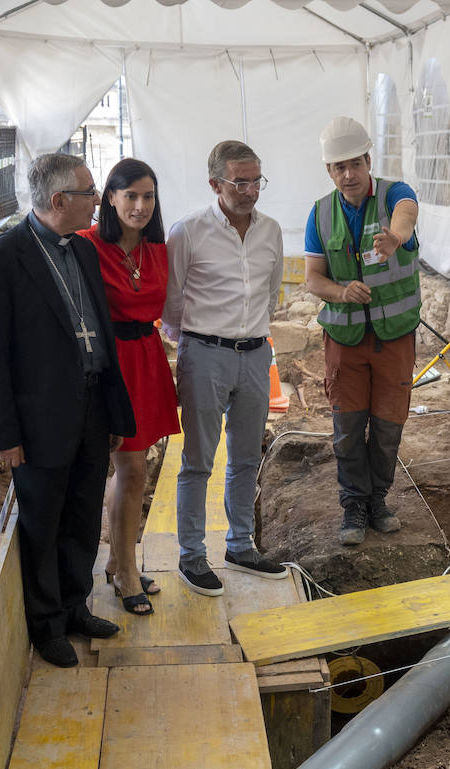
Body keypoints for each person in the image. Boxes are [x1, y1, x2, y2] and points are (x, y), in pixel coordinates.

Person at [0, 152, 135, 668]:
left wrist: (108, 406)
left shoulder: (81, 252)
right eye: (89, 192)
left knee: (83, 516)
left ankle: (74, 605)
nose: (98, 201)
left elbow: (97, 329)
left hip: (90, 407)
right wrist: (2, 433)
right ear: (59, 200)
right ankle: (46, 626)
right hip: (38, 421)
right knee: (44, 523)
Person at [161, 140, 288, 596]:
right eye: (240, 181)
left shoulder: (271, 230)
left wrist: (250, 339)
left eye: (256, 180)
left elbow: (271, 292)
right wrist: (198, 346)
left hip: (256, 354)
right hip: (204, 354)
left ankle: (241, 546)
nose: (251, 190)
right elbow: (172, 302)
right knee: (198, 461)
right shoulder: (189, 231)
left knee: (247, 457)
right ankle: (192, 556)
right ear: (215, 183)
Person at [303, 116, 421, 546]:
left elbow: (408, 212)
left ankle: (378, 501)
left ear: (369, 160)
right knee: (348, 427)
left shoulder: (394, 195)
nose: (348, 174)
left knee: (388, 424)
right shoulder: (320, 212)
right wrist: (340, 291)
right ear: (329, 172)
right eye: (339, 167)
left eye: (355, 163)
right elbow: (313, 279)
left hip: (394, 337)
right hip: (344, 341)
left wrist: (395, 237)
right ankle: (353, 504)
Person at [78, 158, 180, 616]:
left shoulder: (159, 250)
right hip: (107, 364)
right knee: (130, 470)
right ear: (111, 198)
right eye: (131, 196)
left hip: (147, 357)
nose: (140, 206)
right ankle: (124, 571)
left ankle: (120, 561)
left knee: (133, 470)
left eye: (148, 196)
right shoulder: (85, 246)